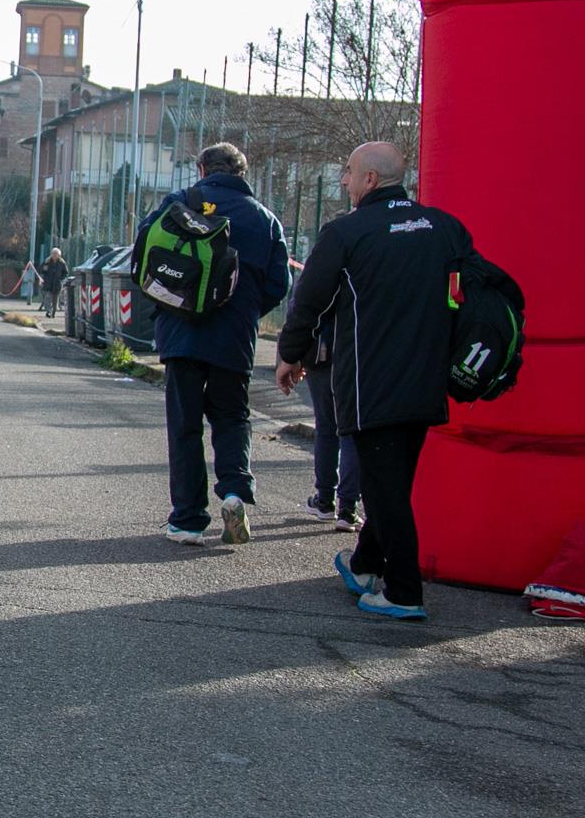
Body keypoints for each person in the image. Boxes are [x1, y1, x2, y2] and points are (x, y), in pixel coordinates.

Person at [276, 142, 472, 620]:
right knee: (392, 482)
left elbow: (309, 302)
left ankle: (403, 591)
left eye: (348, 172)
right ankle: (364, 564)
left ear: (369, 180)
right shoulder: (445, 228)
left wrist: (290, 355)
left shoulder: (346, 232)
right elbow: (471, 293)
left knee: (385, 491)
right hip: (426, 379)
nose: (343, 180)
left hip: (371, 384)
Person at [138, 143, 290, 549]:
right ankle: (236, 490)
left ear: (202, 169)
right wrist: (246, 312)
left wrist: (173, 301)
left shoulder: (180, 202)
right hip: (234, 338)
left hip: (181, 333)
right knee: (232, 416)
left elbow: (145, 251)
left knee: (185, 425)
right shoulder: (265, 220)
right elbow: (279, 284)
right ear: (242, 172)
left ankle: (188, 520)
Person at [300, 310, 362, 532]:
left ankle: (325, 500)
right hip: (357, 354)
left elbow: (303, 307)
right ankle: (348, 507)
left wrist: (291, 352)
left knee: (326, 428)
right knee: (351, 431)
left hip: (323, 353)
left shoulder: (323, 283)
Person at [37, 247, 69, 317]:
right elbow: (41, 270)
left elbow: (66, 272)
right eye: (53, 253)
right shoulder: (47, 262)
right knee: (47, 298)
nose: (54, 255)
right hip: (48, 283)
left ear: (59, 255)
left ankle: (53, 312)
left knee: (55, 300)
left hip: (57, 284)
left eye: (56, 254)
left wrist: (61, 279)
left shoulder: (62, 263)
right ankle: (49, 311)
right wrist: (44, 272)